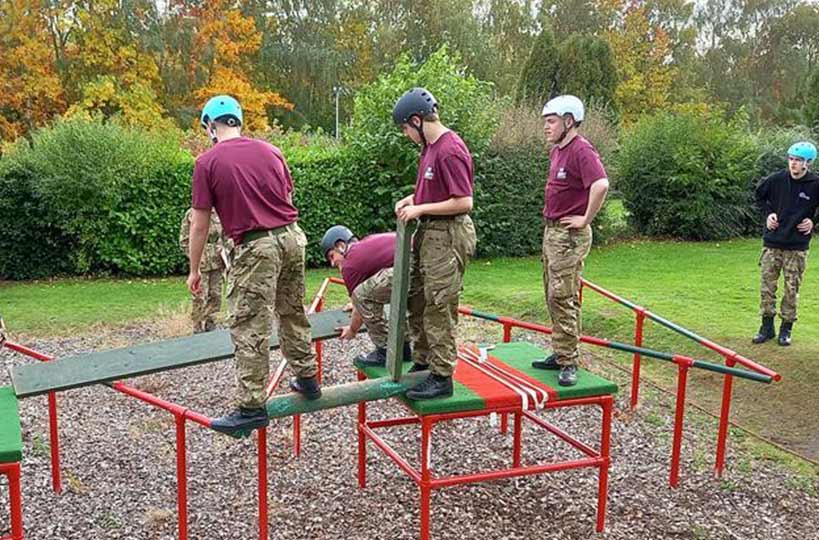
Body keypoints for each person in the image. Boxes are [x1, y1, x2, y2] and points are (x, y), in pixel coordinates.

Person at [188, 95, 319, 434]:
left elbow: (200, 224)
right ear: (238, 121)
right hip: (293, 238)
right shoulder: (272, 151)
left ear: (210, 126)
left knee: (249, 324)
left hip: (256, 246)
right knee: (292, 310)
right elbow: (287, 199)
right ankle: (307, 379)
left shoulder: (207, 162)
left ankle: (251, 407)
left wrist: (194, 269)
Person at [392, 87, 477, 400]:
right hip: (431, 236)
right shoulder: (430, 149)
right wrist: (413, 199)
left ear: (416, 121)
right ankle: (424, 361)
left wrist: (421, 208)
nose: (405, 135)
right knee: (421, 300)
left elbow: (463, 201)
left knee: (440, 304)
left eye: (404, 129)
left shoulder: (449, 149)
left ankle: (442, 377)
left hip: (448, 235)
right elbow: (436, 191)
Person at [532, 95, 609, 387]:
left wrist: (585, 219)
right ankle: (560, 350)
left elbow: (601, 184)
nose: (546, 127)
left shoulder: (581, 150)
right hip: (553, 232)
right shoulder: (557, 151)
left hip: (569, 235)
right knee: (551, 292)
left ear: (568, 121)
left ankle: (569, 361)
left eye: (551, 121)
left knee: (562, 295)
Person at [752, 141, 819, 346]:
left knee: (791, 289)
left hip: (797, 246)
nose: (793, 164)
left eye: (798, 160)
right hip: (772, 242)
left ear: (808, 163)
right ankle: (766, 327)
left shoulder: (815, 183)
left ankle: (786, 329)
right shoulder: (776, 179)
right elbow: (758, 196)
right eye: (791, 159)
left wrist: (813, 221)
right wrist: (768, 213)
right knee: (767, 287)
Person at [321, 225, 412, 366]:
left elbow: (361, 298)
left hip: (410, 265)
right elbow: (372, 287)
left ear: (340, 245)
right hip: (427, 262)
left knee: (362, 296)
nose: (332, 263)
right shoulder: (366, 245)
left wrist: (352, 330)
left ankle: (384, 351)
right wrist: (356, 303)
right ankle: (404, 349)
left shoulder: (349, 263)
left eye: (332, 256)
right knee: (400, 299)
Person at [179, 207, 228, 334]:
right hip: (202, 262)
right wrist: (194, 257)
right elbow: (184, 240)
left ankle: (211, 323)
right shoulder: (192, 213)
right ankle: (197, 326)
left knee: (216, 294)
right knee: (200, 296)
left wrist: (226, 253)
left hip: (217, 261)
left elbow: (225, 236)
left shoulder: (220, 212)